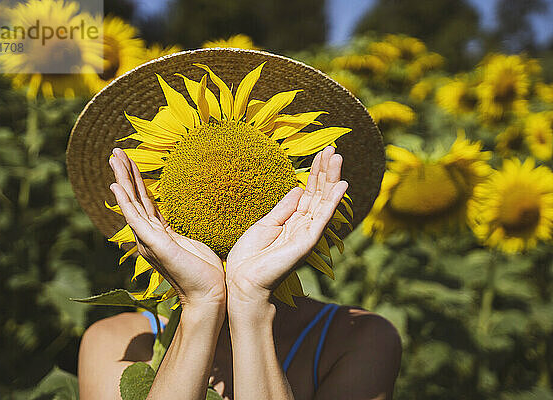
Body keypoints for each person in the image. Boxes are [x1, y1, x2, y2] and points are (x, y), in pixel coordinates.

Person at [77, 146, 402, 400]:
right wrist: (201, 304)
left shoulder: (358, 338)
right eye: (201, 174)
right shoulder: (118, 343)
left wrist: (251, 303)